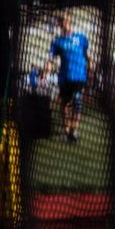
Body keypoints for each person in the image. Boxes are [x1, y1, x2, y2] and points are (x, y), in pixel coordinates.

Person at [49, 12, 90, 145]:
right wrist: (47, 69)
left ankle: (74, 130)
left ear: (70, 21)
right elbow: (51, 58)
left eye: (66, 21)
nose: (64, 24)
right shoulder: (57, 41)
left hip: (79, 76)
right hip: (64, 78)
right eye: (62, 22)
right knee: (65, 105)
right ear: (60, 24)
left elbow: (86, 54)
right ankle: (67, 132)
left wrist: (91, 65)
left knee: (77, 102)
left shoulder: (80, 38)